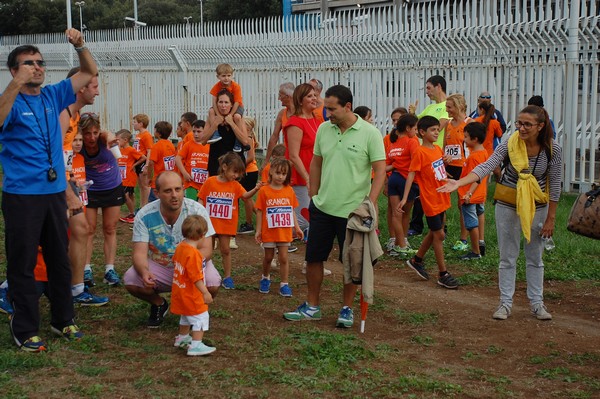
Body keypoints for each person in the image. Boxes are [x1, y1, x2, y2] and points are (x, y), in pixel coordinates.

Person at [0, 29, 95, 351]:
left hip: (54, 193)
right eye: (28, 63)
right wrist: (14, 85)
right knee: (23, 265)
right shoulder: (10, 100)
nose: (37, 67)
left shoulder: (54, 95)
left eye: (40, 62)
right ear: (14, 70)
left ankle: (62, 320)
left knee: (59, 260)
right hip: (22, 196)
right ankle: (25, 328)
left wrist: (80, 46)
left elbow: (87, 73)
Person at [438, 105, 562, 320]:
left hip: (538, 206)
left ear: (540, 126)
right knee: (507, 257)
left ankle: (537, 303)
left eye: (527, 125)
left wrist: (551, 218)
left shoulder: (553, 149)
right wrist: (459, 182)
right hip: (507, 204)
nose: (521, 129)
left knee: (535, 257)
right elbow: (487, 166)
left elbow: (556, 184)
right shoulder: (509, 144)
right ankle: (505, 303)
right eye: (519, 123)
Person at [283, 85, 386, 328]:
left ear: (347, 106)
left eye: (331, 109)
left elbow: (380, 171)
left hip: (353, 213)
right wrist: (314, 193)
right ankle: (312, 306)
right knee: (314, 258)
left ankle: (347, 309)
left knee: (351, 262)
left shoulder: (370, 133)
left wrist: (369, 203)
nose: (327, 113)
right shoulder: (323, 130)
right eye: (325, 108)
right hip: (322, 208)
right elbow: (317, 163)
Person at [124, 171, 221, 328]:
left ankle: (191, 310)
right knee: (132, 279)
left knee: (212, 283)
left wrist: (187, 267)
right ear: (156, 193)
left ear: (184, 189)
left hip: (191, 264)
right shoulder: (144, 215)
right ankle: (159, 304)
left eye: (178, 189)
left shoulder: (197, 211)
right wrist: (144, 271)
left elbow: (207, 249)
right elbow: (139, 253)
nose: (174, 195)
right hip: (160, 264)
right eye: (168, 191)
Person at [59, 66, 106, 303]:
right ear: (81, 87)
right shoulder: (64, 113)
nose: (98, 93)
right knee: (40, 238)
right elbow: (52, 154)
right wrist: (68, 191)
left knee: (80, 230)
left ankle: (76, 289)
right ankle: (9, 288)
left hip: (64, 182)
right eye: (95, 87)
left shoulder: (76, 116)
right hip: (50, 185)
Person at [399, 116, 459, 290]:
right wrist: (405, 198)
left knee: (435, 232)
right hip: (430, 199)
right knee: (439, 235)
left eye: (437, 129)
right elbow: (412, 173)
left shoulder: (438, 149)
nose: (436, 132)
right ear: (422, 132)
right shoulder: (420, 151)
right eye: (432, 130)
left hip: (442, 196)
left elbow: (438, 170)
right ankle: (443, 274)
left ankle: (417, 260)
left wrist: (445, 166)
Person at [198, 152, 261, 289]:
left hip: (225, 225)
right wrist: (200, 216)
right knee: (207, 250)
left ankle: (227, 277)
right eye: (235, 171)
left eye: (239, 173)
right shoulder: (210, 182)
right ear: (224, 167)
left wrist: (255, 189)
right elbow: (201, 198)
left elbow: (245, 196)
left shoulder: (235, 185)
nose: (236, 176)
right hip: (209, 224)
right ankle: (204, 274)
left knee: (225, 250)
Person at [79, 113, 124, 287]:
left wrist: (111, 138)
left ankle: (109, 270)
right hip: (90, 190)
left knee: (110, 228)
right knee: (88, 229)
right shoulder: (79, 144)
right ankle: (86, 268)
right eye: (87, 133)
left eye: (95, 132)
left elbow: (111, 137)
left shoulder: (104, 138)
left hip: (112, 187)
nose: (92, 137)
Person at [407, 75, 450, 237]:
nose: (427, 92)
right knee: (420, 189)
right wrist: (413, 114)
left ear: (439, 86)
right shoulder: (429, 108)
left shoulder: (447, 106)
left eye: (429, 88)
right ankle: (417, 226)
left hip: (437, 154)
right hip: (423, 153)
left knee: (438, 190)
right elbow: (415, 126)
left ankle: (440, 227)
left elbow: (438, 126)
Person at [254, 158, 304, 297]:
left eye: (283, 173)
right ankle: (265, 277)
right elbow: (260, 211)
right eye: (277, 173)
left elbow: (291, 210)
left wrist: (297, 228)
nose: (280, 176)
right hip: (269, 232)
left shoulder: (289, 191)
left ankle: (284, 283)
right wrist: (258, 230)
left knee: (283, 257)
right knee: (269, 257)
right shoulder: (264, 191)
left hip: (284, 231)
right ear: (270, 172)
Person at [171, 215, 216, 356]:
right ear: (203, 235)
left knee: (185, 316)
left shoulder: (180, 247)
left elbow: (175, 262)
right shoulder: (194, 254)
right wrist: (205, 292)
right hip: (192, 294)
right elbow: (196, 278)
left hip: (180, 291)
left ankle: (182, 338)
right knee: (201, 317)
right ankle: (196, 345)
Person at [283, 83, 320, 235]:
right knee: (302, 217)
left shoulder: (318, 120)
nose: (314, 98)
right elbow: (293, 155)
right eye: (309, 96)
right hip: (301, 176)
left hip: (318, 173)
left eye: (315, 95)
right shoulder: (295, 122)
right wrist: (307, 178)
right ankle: (275, 241)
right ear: (300, 100)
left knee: (314, 215)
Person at [385, 114, 419, 256]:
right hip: (407, 180)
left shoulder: (393, 143)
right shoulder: (412, 142)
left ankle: (396, 243)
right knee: (405, 213)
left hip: (394, 178)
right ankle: (403, 243)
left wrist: (394, 166)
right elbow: (416, 162)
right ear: (408, 128)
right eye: (415, 128)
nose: (416, 132)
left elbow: (387, 166)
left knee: (395, 213)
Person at [457, 122, 489, 260]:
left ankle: (475, 252)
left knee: (471, 224)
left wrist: (468, 193)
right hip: (479, 194)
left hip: (469, 195)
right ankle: (479, 245)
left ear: (474, 139)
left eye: (466, 137)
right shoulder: (483, 152)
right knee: (478, 216)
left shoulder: (475, 157)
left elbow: (477, 177)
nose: (464, 139)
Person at [443, 94, 470, 252]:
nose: (447, 110)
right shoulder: (448, 124)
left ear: (459, 106)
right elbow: (446, 145)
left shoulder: (469, 123)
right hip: (449, 167)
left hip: (463, 167)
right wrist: (444, 158)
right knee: (443, 201)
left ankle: (464, 238)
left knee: (462, 204)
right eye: (446, 107)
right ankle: (441, 233)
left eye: (449, 107)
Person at [200, 89, 249, 176]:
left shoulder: (237, 118)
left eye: (226, 102)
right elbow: (203, 141)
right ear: (216, 104)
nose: (223, 106)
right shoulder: (212, 117)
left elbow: (245, 141)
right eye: (220, 102)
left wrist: (231, 123)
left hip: (235, 164)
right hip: (217, 163)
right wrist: (215, 124)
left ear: (231, 105)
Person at [383, 107, 408, 251]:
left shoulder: (411, 139)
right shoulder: (388, 139)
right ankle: (393, 238)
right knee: (392, 208)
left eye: (398, 119)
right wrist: (386, 181)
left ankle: (403, 238)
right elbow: (385, 161)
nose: (395, 122)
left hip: (407, 179)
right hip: (392, 178)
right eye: (393, 120)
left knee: (405, 209)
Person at [207, 64, 244, 148]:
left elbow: (237, 102)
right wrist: (219, 115)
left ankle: (238, 141)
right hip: (223, 107)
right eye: (223, 76)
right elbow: (214, 102)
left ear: (232, 76)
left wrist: (230, 115)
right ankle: (215, 132)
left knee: (237, 117)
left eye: (229, 75)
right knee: (211, 111)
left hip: (236, 107)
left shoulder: (235, 87)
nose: (226, 78)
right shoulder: (217, 86)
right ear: (218, 76)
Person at [175, 119, 210, 200]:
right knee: (191, 205)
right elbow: (177, 159)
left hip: (205, 182)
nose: (196, 134)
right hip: (191, 182)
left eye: (199, 131)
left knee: (203, 207)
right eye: (194, 131)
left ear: (205, 131)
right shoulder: (188, 145)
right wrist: (184, 173)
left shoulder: (209, 145)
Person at [117, 129, 146, 223]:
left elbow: (143, 157)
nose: (117, 142)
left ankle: (132, 214)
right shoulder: (120, 150)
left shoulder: (131, 150)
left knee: (125, 195)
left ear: (125, 140)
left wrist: (134, 165)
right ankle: (132, 213)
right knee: (130, 195)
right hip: (122, 177)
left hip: (128, 177)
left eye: (118, 140)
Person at [263, 82, 295, 166]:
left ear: (288, 97)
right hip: (286, 154)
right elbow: (274, 136)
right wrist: (266, 160)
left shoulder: (302, 112)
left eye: (280, 95)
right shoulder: (282, 114)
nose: (278, 98)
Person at [238, 117, 260, 235]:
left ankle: (249, 223)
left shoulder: (249, 139)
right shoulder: (244, 138)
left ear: (247, 127)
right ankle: (262, 218)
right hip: (247, 171)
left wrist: (239, 166)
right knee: (246, 197)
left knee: (246, 198)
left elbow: (250, 157)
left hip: (249, 171)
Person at [147, 121, 177, 193]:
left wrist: (149, 177)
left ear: (159, 134)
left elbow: (151, 163)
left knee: (153, 202)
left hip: (158, 180)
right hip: (170, 178)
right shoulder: (171, 145)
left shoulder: (156, 146)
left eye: (155, 130)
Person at [132, 113, 154, 208]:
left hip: (143, 161)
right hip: (138, 161)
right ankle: (142, 206)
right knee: (141, 186)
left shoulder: (146, 135)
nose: (133, 124)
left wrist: (147, 165)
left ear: (141, 124)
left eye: (135, 122)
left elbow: (149, 150)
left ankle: (146, 206)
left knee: (145, 186)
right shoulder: (138, 135)